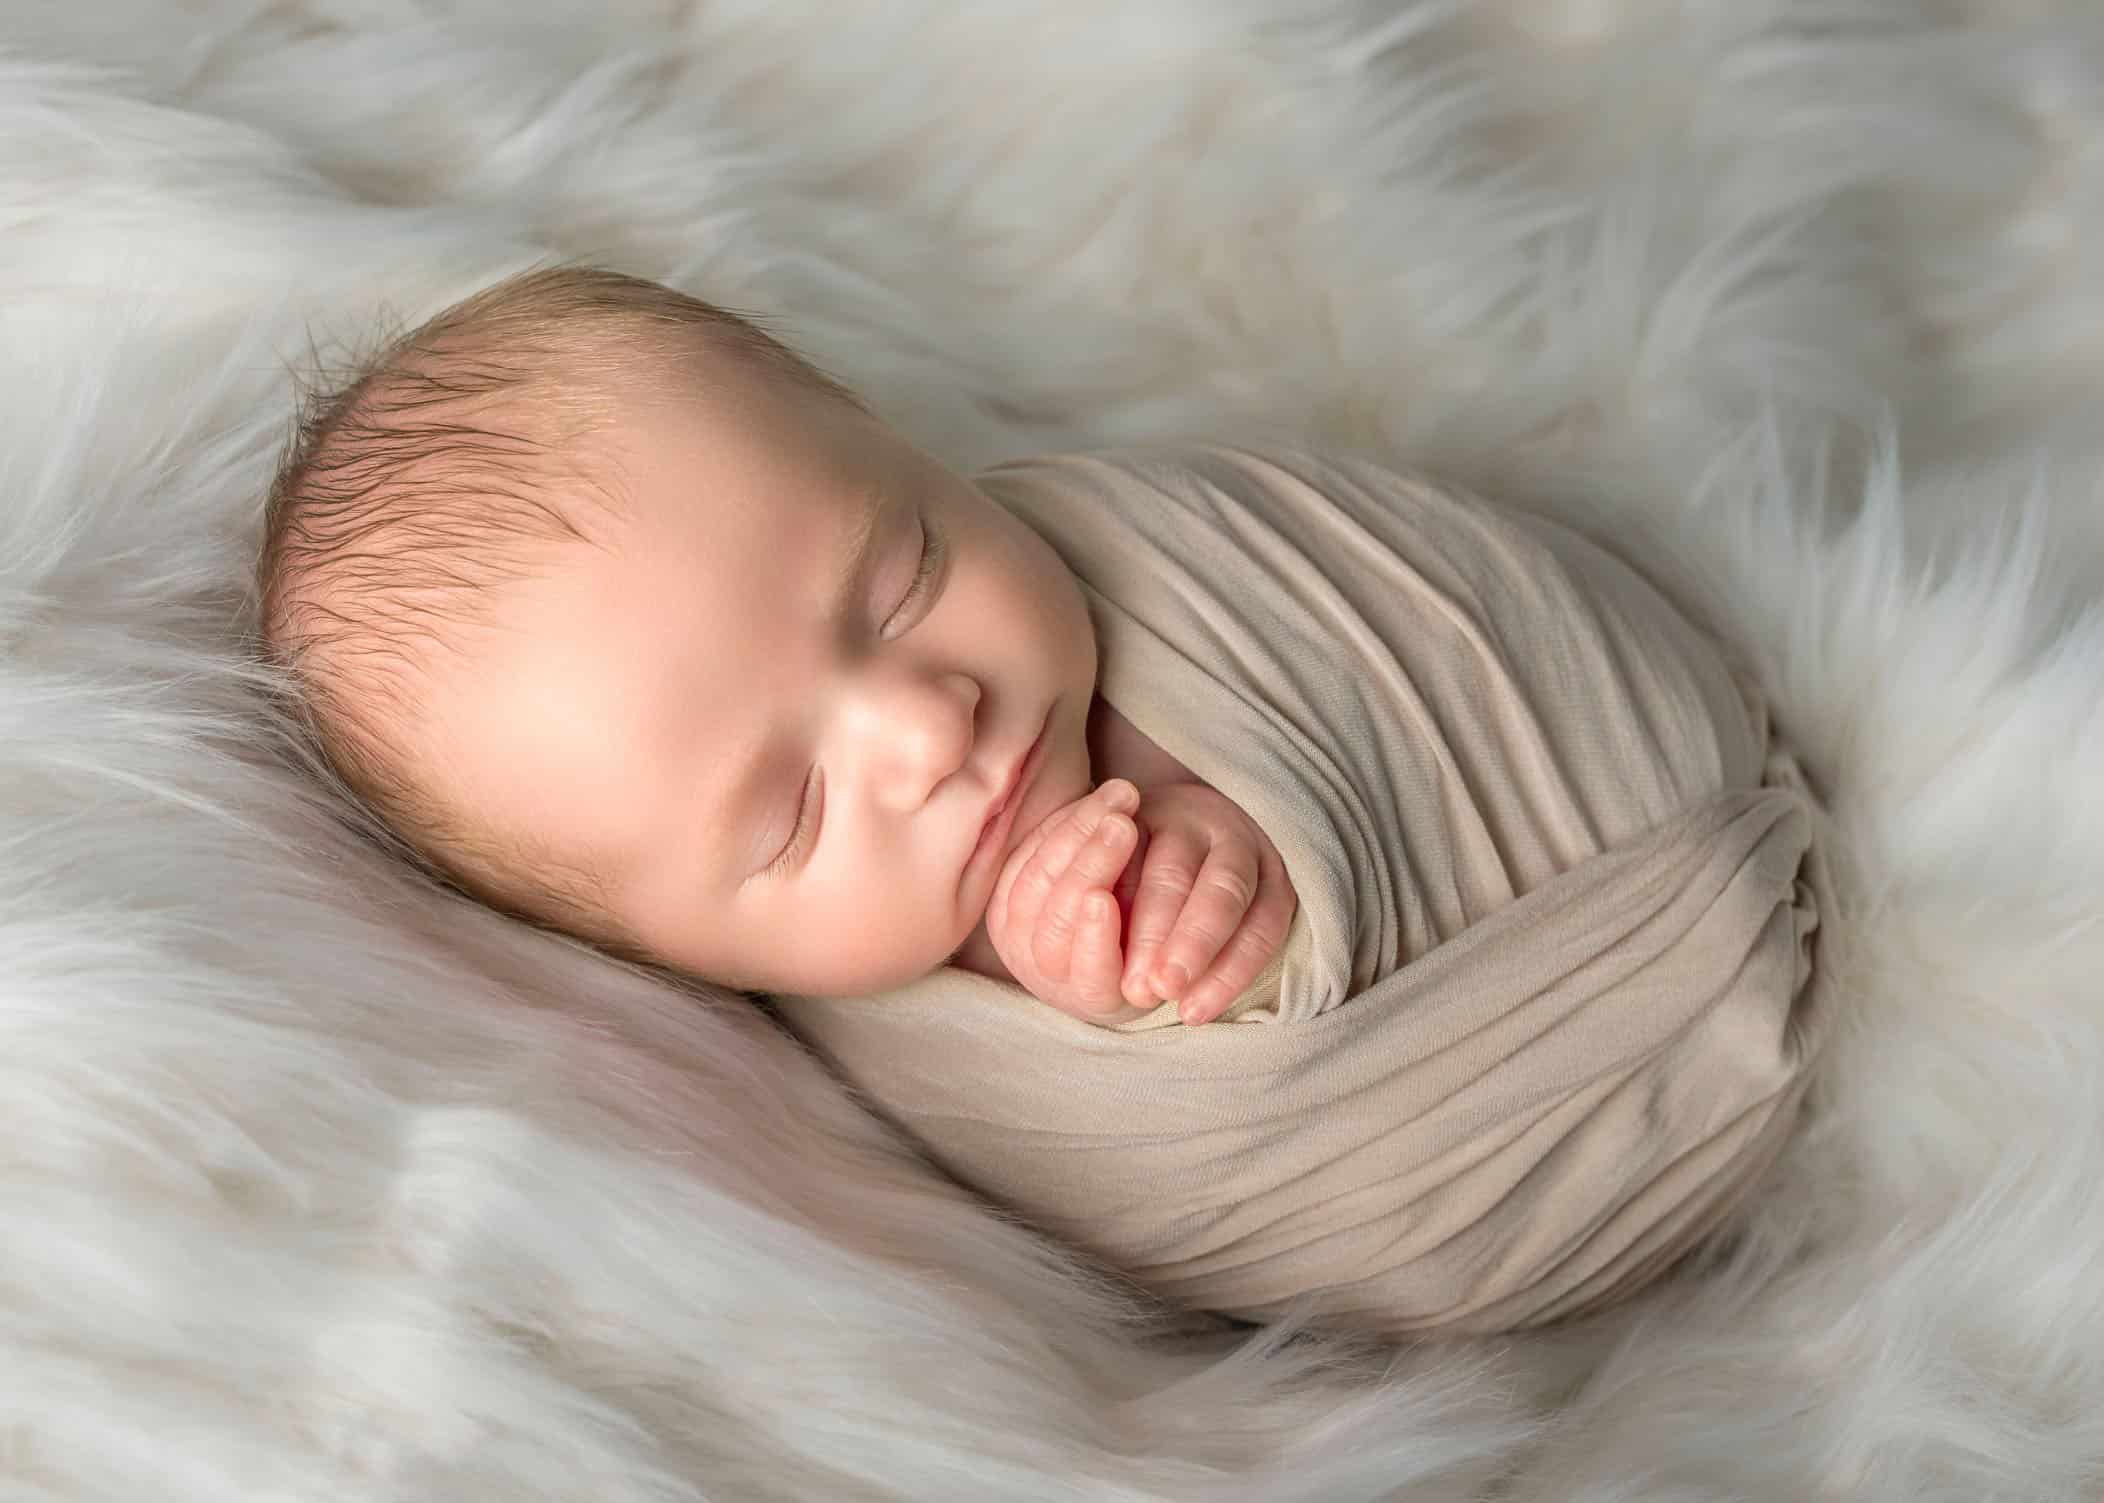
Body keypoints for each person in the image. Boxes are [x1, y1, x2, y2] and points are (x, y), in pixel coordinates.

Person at [256, 263, 1295, 1029]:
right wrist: (1134, 975)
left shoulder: (1165, 554)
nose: (929, 727)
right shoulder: (899, 1059)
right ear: (681, 964)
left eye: (904, 584)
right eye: (794, 813)